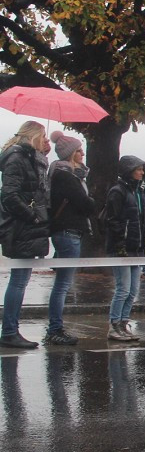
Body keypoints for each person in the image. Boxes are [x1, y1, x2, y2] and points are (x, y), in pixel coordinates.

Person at [0, 121, 51, 348]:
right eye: (43, 136)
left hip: (27, 227)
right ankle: (9, 331)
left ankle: (11, 330)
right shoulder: (17, 158)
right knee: (19, 281)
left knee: (21, 280)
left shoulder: (27, 157)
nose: (45, 140)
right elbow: (9, 194)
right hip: (22, 227)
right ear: (34, 136)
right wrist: (32, 216)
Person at [45, 131, 96, 345]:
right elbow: (86, 205)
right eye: (78, 151)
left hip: (67, 232)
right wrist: (89, 199)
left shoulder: (63, 174)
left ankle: (55, 327)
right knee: (63, 284)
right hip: (68, 232)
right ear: (70, 154)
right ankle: (55, 328)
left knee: (63, 283)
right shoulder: (66, 176)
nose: (82, 154)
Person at [105, 155, 145, 341]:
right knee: (122, 289)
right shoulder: (118, 191)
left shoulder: (138, 192)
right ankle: (114, 325)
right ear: (129, 171)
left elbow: (142, 220)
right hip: (122, 248)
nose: (142, 172)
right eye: (138, 169)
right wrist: (119, 244)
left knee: (132, 291)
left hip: (136, 247)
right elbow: (113, 220)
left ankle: (123, 323)